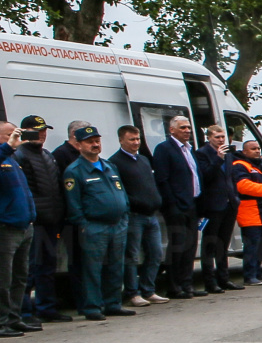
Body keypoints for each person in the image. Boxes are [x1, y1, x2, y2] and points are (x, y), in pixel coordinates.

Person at [61, 124, 133, 319]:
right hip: (94, 227)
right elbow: (73, 204)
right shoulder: (74, 171)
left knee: (116, 267)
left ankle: (113, 304)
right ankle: (92, 307)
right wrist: (83, 225)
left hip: (117, 225)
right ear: (79, 145)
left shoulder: (110, 166)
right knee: (92, 269)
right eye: (90, 142)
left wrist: (124, 216)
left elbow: (122, 194)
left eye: (97, 141)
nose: (95, 145)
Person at [15, 116, 68, 321]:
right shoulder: (20, 155)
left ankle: (46, 308)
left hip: (51, 221)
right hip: (33, 222)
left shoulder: (47, 155)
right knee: (29, 270)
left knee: (47, 267)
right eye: (37, 130)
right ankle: (24, 312)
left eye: (44, 130)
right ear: (25, 132)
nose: (42, 134)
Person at [110, 126, 167, 304]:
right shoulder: (115, 162)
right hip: (134, 216)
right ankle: (132, 292)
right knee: (132, 256)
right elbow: (119, 191)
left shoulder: (143, 160)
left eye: (137, 139)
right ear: (121, 140)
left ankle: (148, 289)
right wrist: (134, 203)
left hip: (152, 215)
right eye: (131, 140)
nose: (136, 143)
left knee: (156, 253)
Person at [152, 115, 202, 298]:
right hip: (176, 206)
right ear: (172, 130)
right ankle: (174, 286)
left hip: (192, 204)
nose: (187, 130)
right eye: (183, 128)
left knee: (190, 247)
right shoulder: (164, 149)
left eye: (188, 127)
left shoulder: (189, 149)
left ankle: (187, 283)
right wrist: (172, 204)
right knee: (178, 247)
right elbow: (162, 179)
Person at [0, 122, 39, 336]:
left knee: (20, 277)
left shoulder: (13, 159)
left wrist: (31, 216)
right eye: (9, 134)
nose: (15, 138)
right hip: (5, 228)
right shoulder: (4, 155)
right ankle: (1, 321)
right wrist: (8, 147)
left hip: (24, 226)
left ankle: (14, 318)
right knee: (3, 279)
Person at [195, 124, 241, 292]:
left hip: (229, 202)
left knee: (223, 243)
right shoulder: (202, 154)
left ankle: (224, 278)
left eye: (223, 137)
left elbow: (230, 177)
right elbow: (205, 176)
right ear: (209, 138)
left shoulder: (228, 154)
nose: (221, 140)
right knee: (210, 243)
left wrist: (235, 197)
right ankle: (209, 280)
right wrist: (217, 159)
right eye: (217, 137)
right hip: (212, 205)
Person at [230, 139, 262, 285]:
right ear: (244, 152)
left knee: (260, 245)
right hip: (249, 210)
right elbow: (242, 186)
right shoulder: (239, 165)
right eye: (253, 149)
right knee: (251, 245)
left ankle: (257, 272)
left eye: (258, 148)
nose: (257, 151)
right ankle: (249, 275)